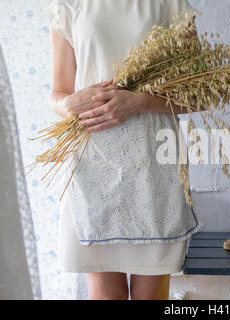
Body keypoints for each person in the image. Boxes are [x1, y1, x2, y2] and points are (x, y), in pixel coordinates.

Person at [46, 0, 203, 300]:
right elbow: (58, 92)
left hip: (155, 173)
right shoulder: (68, 5)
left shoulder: (171, 4)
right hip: (94, 169)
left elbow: (200, 94)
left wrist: (140, 102)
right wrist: (68, 104)